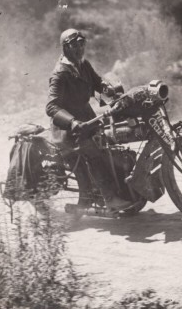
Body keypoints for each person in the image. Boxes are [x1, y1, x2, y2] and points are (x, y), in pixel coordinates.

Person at [46, 28, 132, 211]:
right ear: (66, 48)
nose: (79, 49)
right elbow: (51, 107)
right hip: (67, 128)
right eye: (74, 45)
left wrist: (109, 90)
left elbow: (97, 82)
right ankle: (109, 198)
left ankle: (120, 188)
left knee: (109, 143)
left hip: (86, 118)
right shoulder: (60, 74)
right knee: (94, 153)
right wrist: (72, 122)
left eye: (81, 44)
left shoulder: (83, 65)